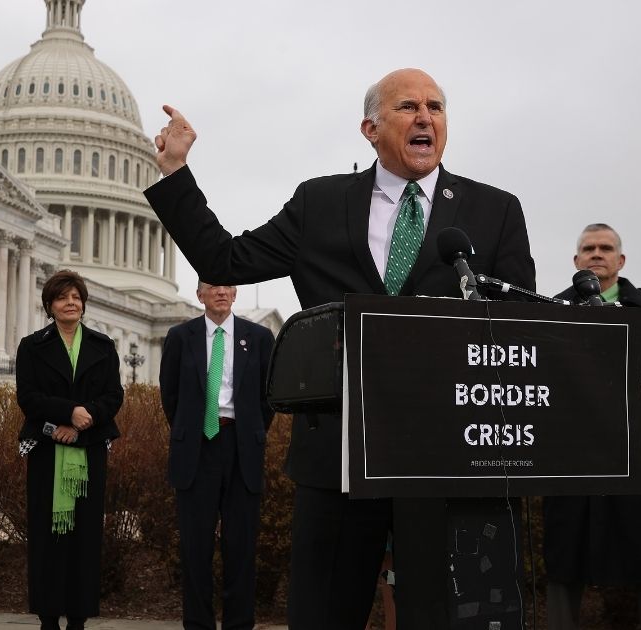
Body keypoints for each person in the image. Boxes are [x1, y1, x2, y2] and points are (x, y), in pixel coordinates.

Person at [145, 68, 536, 629]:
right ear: (370, 128)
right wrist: (177, 172)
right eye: (408, 107)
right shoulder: (320, 203)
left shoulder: (494, 211)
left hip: (447, 459)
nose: (425, 117)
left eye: (436, 107)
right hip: (338, 457)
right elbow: (224, 261)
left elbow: (518, 327)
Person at [543, 224, 641, 629]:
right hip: (574, 464)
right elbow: (544, 387)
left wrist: (631, 434)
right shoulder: (548, 311)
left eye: (605, 248)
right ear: (576, 261)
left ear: (620, 260)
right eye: (588, 248)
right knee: (565, 563)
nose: (596, 254)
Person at [160, 282, 275, 630]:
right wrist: (194, 426)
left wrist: (249, 430)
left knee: (240, 545)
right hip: (197, 448)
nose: (221, 292)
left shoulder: (259, 337)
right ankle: (198, 624)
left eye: (227, 286)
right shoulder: (181, 337)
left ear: (235, 293)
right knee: (195, 547)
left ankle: (239, 624)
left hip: (241, 448)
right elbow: (171, 396)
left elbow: (267, 397)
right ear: (200, 295)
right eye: (212, 287)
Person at [15, 269, 124, 630]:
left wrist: (87, 416)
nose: (71, 303)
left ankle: (78, 619)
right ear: (50, 304)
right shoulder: (32, 346)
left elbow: (114, 394)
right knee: (47, 540)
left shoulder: (103, 346)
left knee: (84, 540)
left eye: (76, 297)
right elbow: (28, 396)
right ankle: (48, 619)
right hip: (48, 450)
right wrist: (66, 414)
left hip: (89, 449)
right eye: (63, 297)